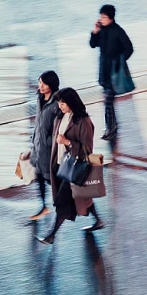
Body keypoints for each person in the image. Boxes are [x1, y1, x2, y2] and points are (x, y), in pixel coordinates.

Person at [36, 87, 104, 245]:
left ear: (72, 102)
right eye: (59, 102)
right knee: (81, 196)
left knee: (63, 202)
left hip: (75, 166)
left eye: (63, 103)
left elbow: (87, 149)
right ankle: (98, 220)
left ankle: (51, 235)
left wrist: (67, 142)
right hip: (60, 164)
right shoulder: (60, 117)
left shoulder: (84, 122)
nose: (60, 106)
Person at [90, 4, 134, 140]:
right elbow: (92, 44)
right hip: (104, 71)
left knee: (108, 102)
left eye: (103, 17)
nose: (101, 19)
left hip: (113, 74)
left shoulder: (118, 31)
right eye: (100, 16)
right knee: (109, 103)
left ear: (111, 18)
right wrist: (95, 32)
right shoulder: (102, 30)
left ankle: (111, 128)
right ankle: (112, 126)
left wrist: (119, 62)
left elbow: (129, 48)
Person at [27, 70, 60, 221]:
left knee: (64, 188)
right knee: (39, 177)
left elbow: (60, 128)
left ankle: (93, 213)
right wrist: (32, 145)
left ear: (51, 85)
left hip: (50, 152)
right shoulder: (40, 98)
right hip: (39, 149)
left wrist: (48, 142)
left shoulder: (57, 103)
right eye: (40, 82)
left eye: (44, 83)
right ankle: (43, 207)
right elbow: (38, 124)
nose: (40, 86)